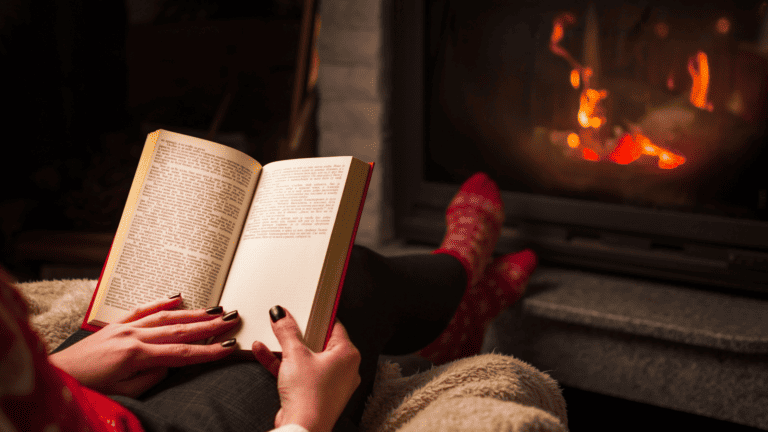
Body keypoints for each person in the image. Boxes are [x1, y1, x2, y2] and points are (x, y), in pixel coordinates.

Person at [1, 173, 537, 432]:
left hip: (72, 405)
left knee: (164, 303)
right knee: (332, 287)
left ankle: (456, 307)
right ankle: (461, 274)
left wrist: (58, 371)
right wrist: (306, 418)